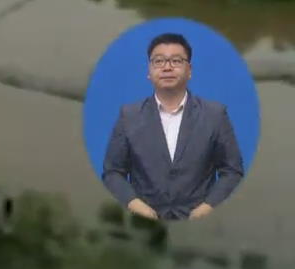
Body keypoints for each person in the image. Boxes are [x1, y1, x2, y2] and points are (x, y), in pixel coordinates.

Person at [102, 32, 244, 221]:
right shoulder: (129, 116)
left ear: (190, 70)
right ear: (149, 71)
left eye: (176, 61)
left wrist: (208, 206)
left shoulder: (215, 114)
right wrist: (134, 204)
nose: (167, 67)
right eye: (159, 61)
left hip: (200, 222)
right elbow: (113, 172)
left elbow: (232, 171)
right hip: (144, 224)